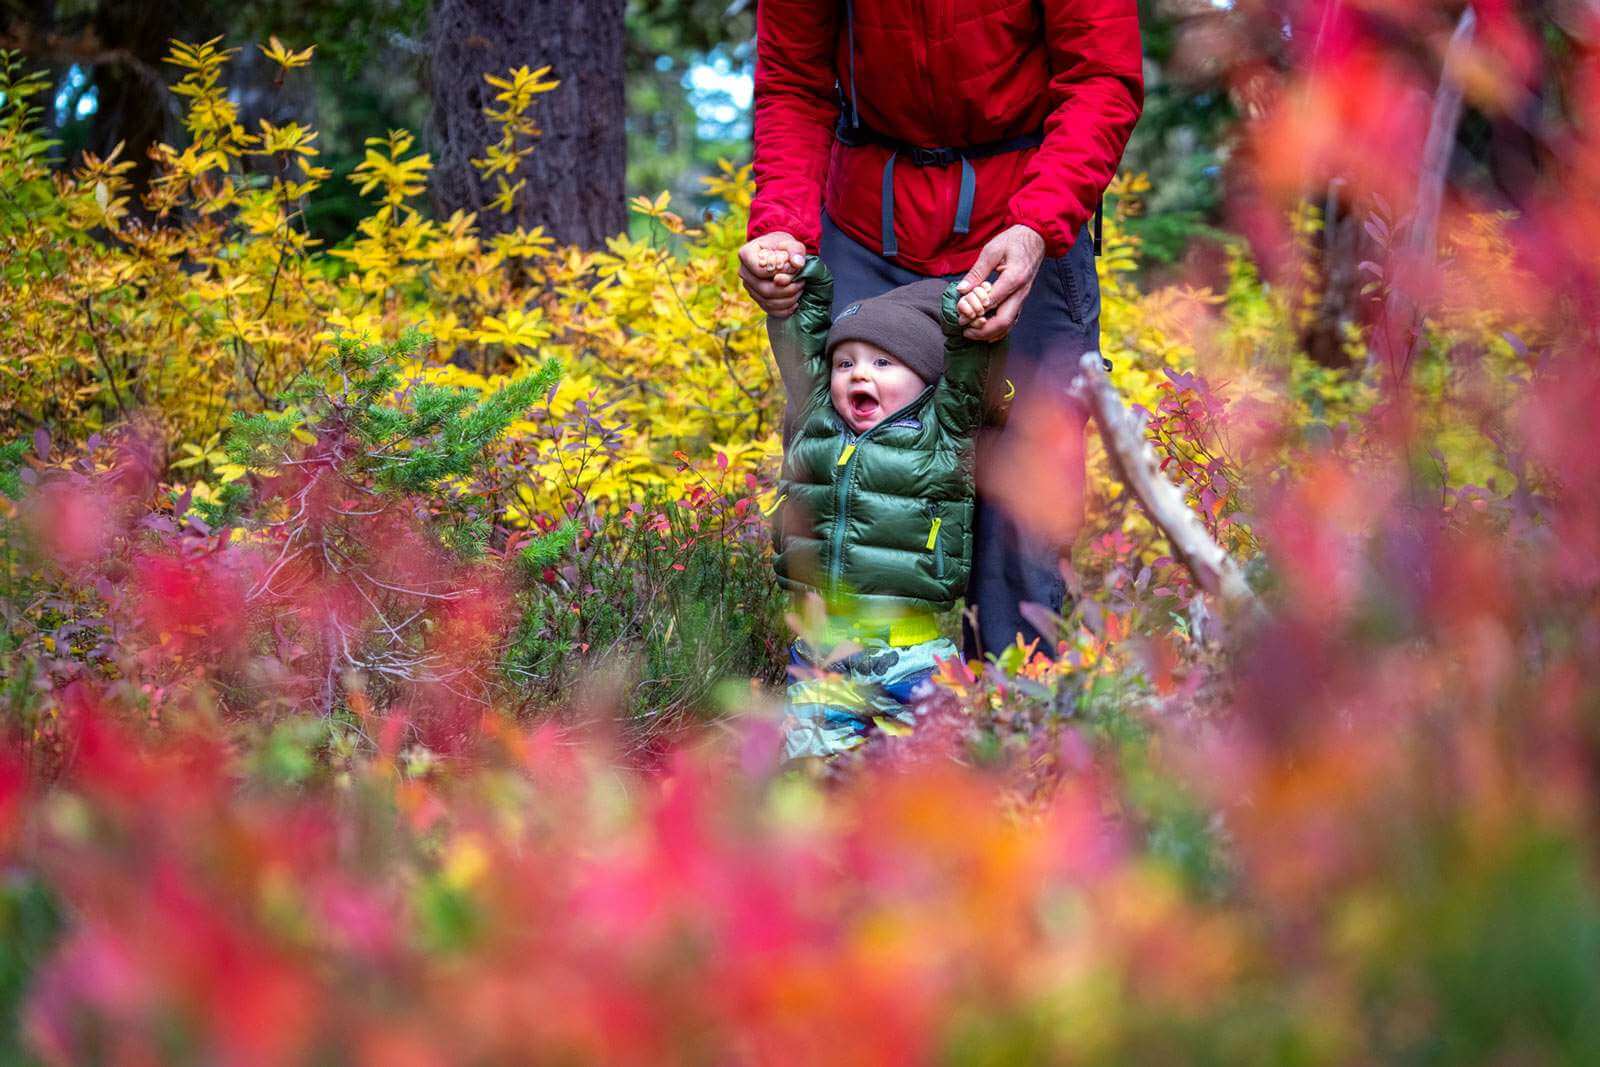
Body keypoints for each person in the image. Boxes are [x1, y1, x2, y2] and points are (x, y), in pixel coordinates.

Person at [740, 0, 1144, 658]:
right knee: (854, 472)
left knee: (1026, 491)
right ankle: (857, 724)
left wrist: (1040, 224)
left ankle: (1014, 724)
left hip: (1025, 206)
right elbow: (793, 77)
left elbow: (1102, 74)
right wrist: (781, 222)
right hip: (869, 217)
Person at [765, 254, 996, 758]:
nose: (857, 375)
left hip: (909, 655)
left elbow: (967, 365)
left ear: (924, 377)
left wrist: (964, 316)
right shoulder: (816, 421)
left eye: (883, 362)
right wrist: (806, 283)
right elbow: (797, 343)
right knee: (813, 776)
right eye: (844, 363)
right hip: (823, 653)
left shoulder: (943, 434)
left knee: (926, 781)